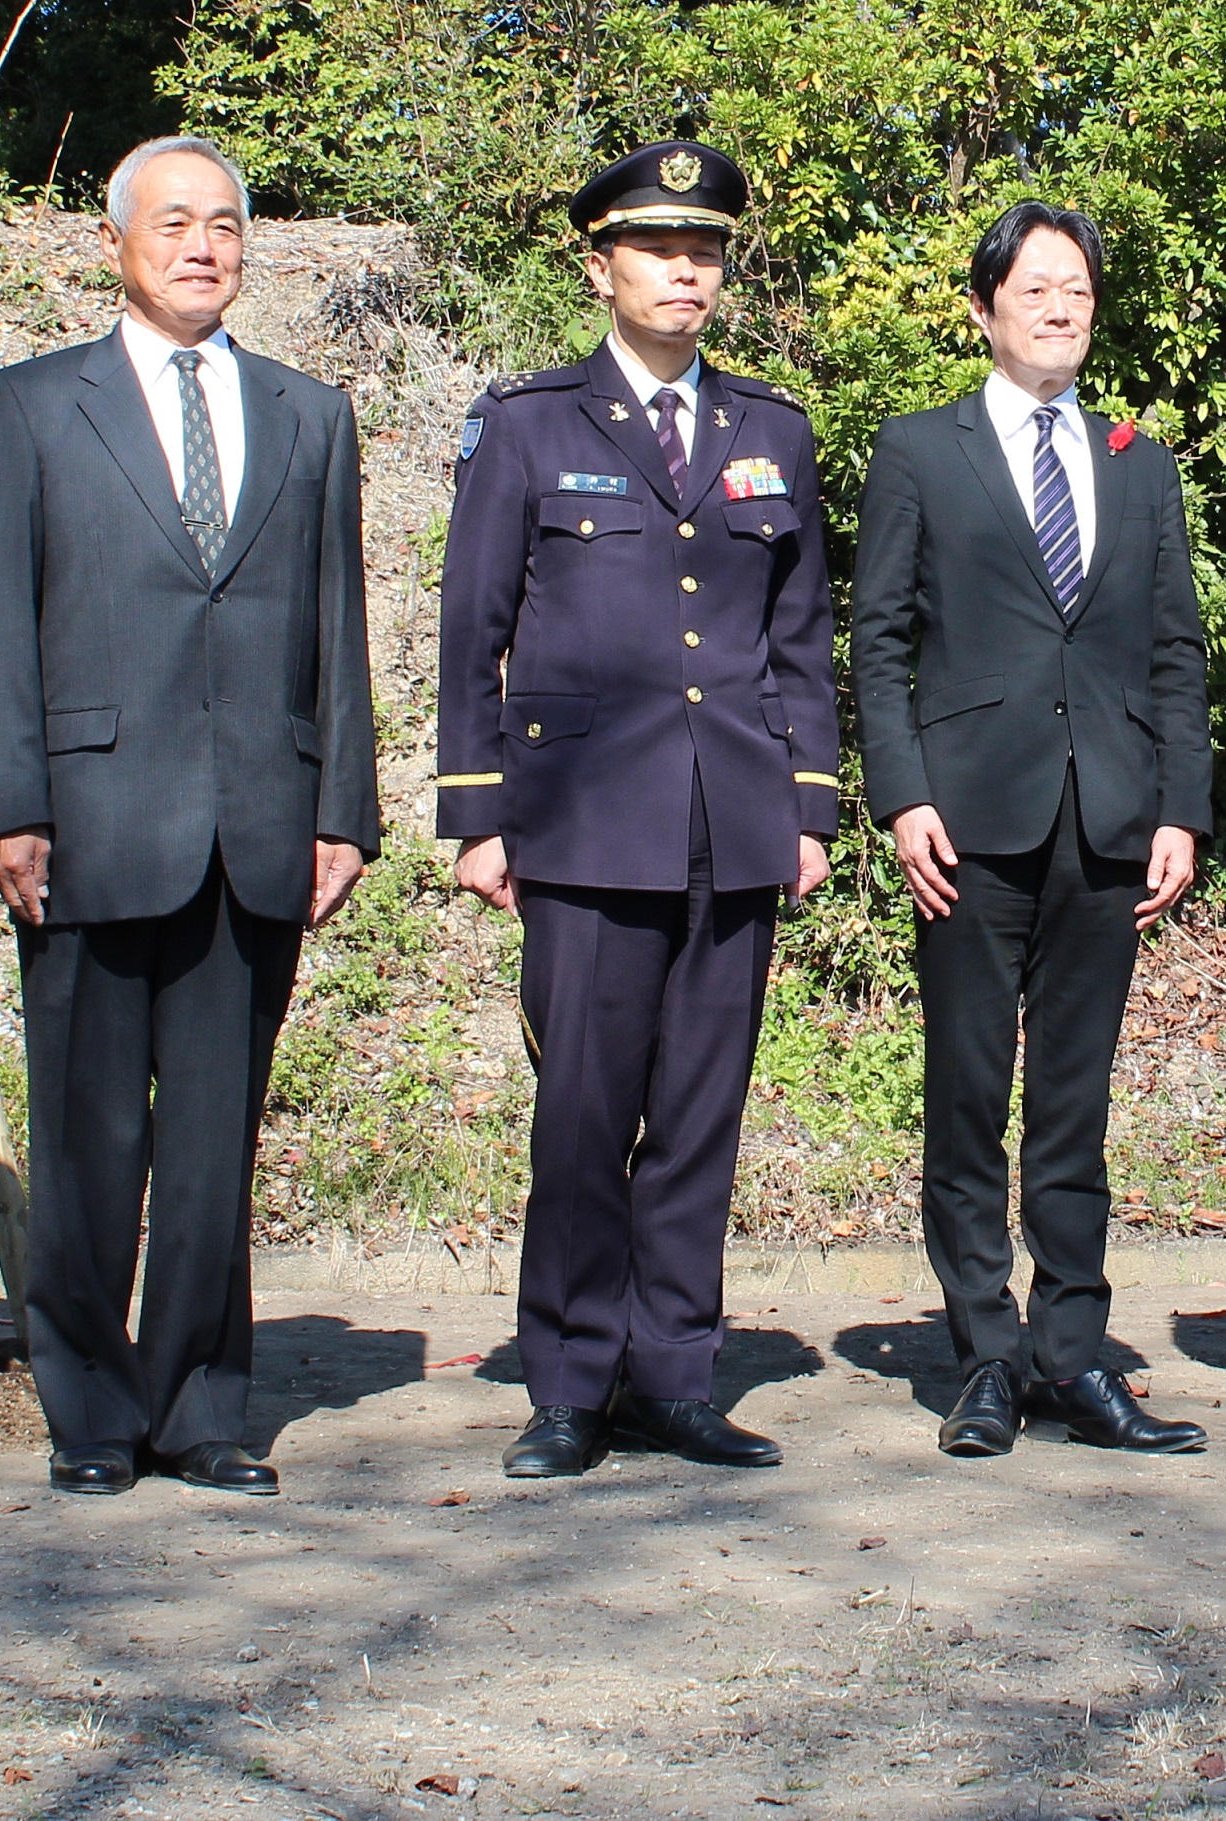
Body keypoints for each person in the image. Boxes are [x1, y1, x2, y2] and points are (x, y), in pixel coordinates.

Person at [0, 135, 379, 1501]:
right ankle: (88, 1408)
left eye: (225, 225)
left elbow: (338, 625)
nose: (203, 245)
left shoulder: (309, 414)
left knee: (212, 1146)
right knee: (88, 1140)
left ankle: (201, 1403)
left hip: (254, 824)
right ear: (116, 243)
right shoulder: (30, 407)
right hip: (86, 820)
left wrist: (343, 813)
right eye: (175, 222)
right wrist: (10, 805)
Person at [434, 143, 839, 1480]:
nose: (687, 269)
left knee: (701, 1114)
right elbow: (473, 628)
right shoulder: (533, 423)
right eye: (661, 248)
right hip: (583, 823)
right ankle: (566, 1380)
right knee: (584, 1113)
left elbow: (799, 636)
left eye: (708, 250)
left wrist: (813, 809)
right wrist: (478, 814)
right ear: (599, 264)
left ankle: (673, 1371)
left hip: (731, 817)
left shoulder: (770, 429)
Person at [852, 203, 1217, 1460]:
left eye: (1076, 289)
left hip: (1108, 823)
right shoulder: (918, 451)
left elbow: (1176, 650)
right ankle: (983, 1358)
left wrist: (1179, 804)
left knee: (1075, 1103)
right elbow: (879, 640)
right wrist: (902, 795)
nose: (1059, 307)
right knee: (967, 1096)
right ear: (983, 307)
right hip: (965, 822)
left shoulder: (1139, 461)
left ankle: (1073, 1354)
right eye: (1034, 288)